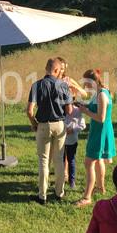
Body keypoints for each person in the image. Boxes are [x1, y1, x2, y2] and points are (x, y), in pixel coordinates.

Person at [26, 57, 73, 205]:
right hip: (59, 124)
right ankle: (59, 193)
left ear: (46, 68)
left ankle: (42, 195)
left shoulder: (36, 85)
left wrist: (34, 124)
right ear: (57, 70)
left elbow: (29, 110)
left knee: (43, 160)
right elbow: (69, 110)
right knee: (58, 159)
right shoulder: (63, 86)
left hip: (43, 125)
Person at [75, 69, 117, 208]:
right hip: (100, 130)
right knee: (98, 160)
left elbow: (101, 117)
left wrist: (85, 111)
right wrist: (86, 107)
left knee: (89, 162)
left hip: (100, 132)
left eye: (86, 83)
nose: (85, 86)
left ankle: (87, 197)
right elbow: (97, 111)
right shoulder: (101, 92)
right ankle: (100, 187)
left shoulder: (102, 95)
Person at [64, 103, 86, 193]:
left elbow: (82, 125)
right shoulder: (60, 110)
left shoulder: (77, 111)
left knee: (71, 160)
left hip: (72, 141)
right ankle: (61, 179)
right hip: (60, 141)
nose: (67, 109)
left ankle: (72, 181)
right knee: (61, 160)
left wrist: (72, 130)